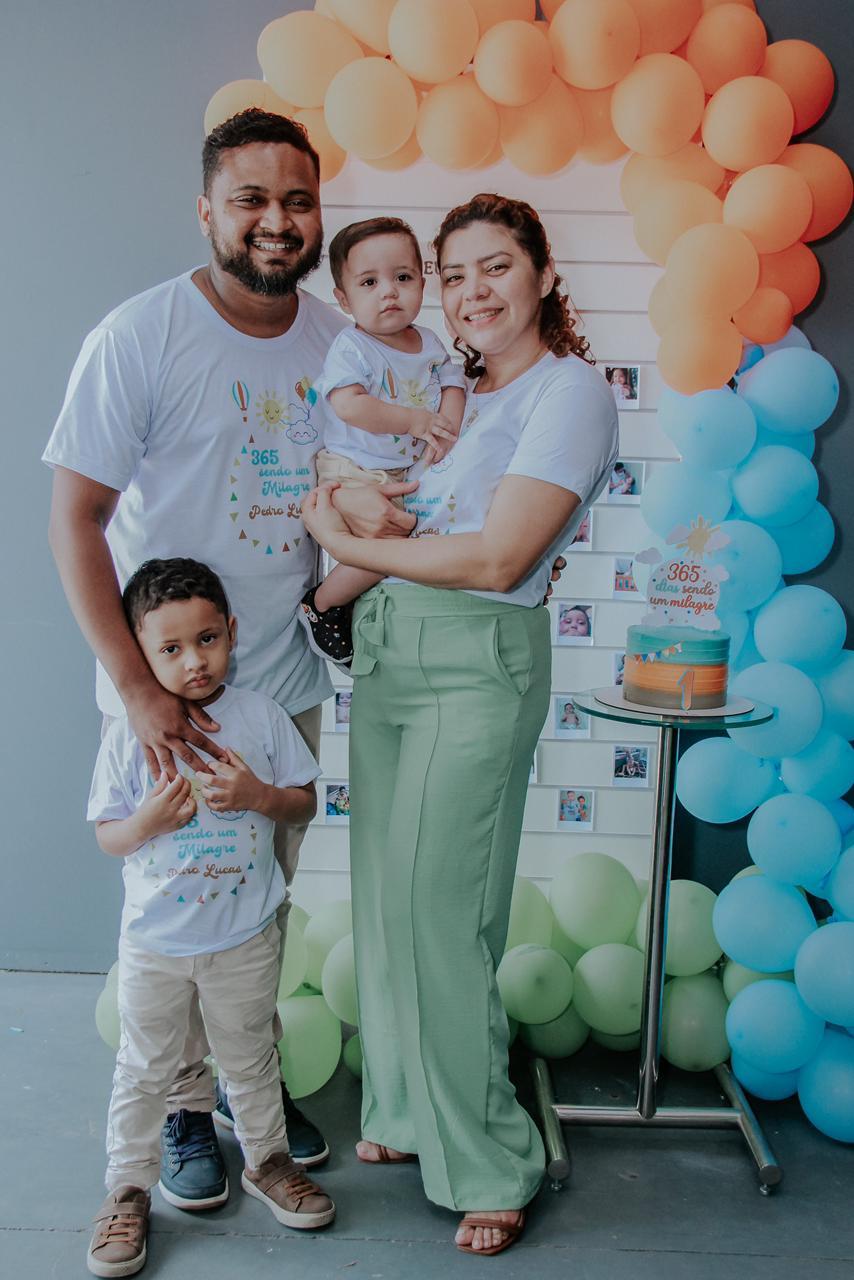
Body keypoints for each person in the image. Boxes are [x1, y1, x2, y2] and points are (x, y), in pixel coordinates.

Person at [43, 109, 415, 1203]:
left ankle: (248, 1088)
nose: (275, 220)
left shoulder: (333, 347)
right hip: (168, 699)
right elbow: (75, 518)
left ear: (316, 215)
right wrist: (134, 690)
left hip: (282, 690)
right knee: (175, 913)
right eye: (250, 198)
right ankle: (186, 1110)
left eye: (296, 199)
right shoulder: (140, 334)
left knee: (252, 911)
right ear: (207, 209)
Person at [301, 193, 618, 1256]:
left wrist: (338, 540)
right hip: (394, 655)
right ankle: (403, 1106)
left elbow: (497, 557)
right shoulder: (465, 398)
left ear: (537, 271)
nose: (473, 290)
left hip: (473, 660)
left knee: (443, 917)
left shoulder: (567, 389)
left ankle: (489, 1155)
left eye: (495, 266)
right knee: (390, 906)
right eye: (455, 273)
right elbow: (423, 516)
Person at [85, 558, 334, 1278]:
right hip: (156, 945)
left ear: (231, 632)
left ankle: (268, 1162)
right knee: (144, 1069)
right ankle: (127, 1190)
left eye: (207, 639)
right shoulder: (128, 737)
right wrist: (147, 821)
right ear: (141, 655)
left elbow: (303, 803)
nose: (194, 662)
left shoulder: (260, 717)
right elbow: (107, 835)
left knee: (251, 1059)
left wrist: (257, 795)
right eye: (170, 649)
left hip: (243, 938)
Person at [299, 215, 465, 665]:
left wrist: (443, 431)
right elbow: (349, 405)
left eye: (402, 277)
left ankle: (354, 609)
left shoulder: (429, 341)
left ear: (422, 282)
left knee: (403, 546)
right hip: (352, 468)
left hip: (398, 471)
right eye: (369, 282)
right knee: (387, 550)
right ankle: (322, 606)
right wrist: (415, 421)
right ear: (343, 298)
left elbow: (453, 384)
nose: (388, 291)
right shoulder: (353, 347)